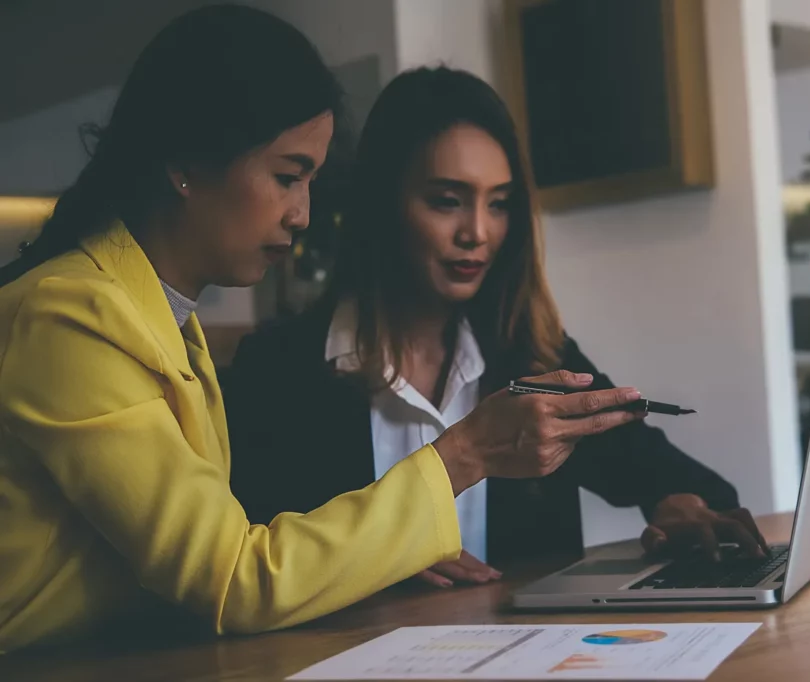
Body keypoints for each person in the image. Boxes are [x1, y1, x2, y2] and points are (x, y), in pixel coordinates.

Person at [0, 8, 643, 654]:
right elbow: (233, 577)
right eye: (287, 177)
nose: (303, 214)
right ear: (187, 164)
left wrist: (378, 550)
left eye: (311, 181)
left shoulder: (164, 323)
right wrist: (462, 456)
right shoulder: (72, 317)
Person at [226, 66, 766, 590]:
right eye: (446, 202)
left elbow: (677, 477)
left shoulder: (532, 357)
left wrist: (677, 505)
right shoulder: (278, 370)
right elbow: (244, 566)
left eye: (500, 204)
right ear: (383, 202)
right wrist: (369, 558)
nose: (478, 233)